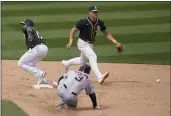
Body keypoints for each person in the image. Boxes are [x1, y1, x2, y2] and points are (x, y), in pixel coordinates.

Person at [62, 5, 124, 84]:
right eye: (94, 12)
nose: (95, 13)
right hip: (82, 43)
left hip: (90, 44)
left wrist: (116, 42)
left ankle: (66, 63)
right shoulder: (83, 21)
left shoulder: (100, 22)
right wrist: (70, 42)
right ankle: (99, 77)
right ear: (90, 13)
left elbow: (106, 34)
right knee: (93, 56)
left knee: (82, 60)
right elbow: (73, 30)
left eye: (97, 12)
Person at [18, 19, 48, 86]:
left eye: (24, 24)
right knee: (32, 64)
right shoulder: (35, 31)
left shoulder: (29, 28)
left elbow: (29, 30)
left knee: (21, 63)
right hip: (44, 49)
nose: (23, 26)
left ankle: (39, 74)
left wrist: (30, 37)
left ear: (28, 24)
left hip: (37, 48)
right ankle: (42, 80)